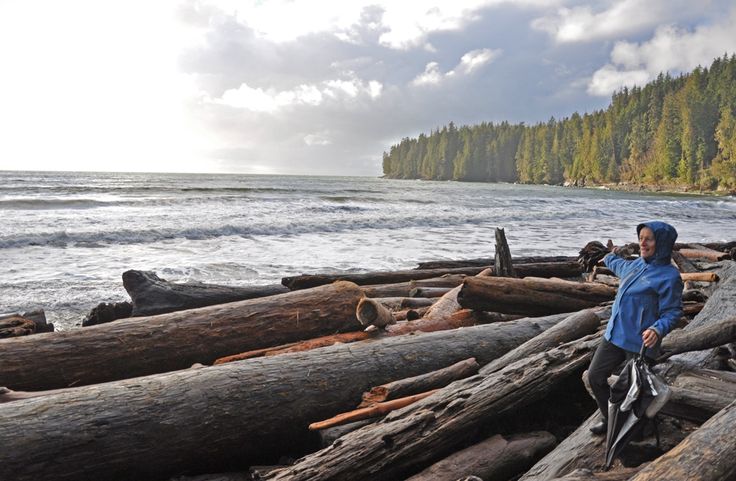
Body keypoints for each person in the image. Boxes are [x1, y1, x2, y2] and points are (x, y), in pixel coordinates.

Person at [587, 221, 683, 435]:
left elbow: (673, 312)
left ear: (662, 243)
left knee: (636, 391)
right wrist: (608, 255)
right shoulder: (635, 265)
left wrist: (657, 329)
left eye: (649, 239)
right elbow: (618, 265)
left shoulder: (670, 277)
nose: (643, 243)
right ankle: (609, 419)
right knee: (594, 376)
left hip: (641, 343)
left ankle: (640, 427)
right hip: (614, 335)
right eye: (641, 238)